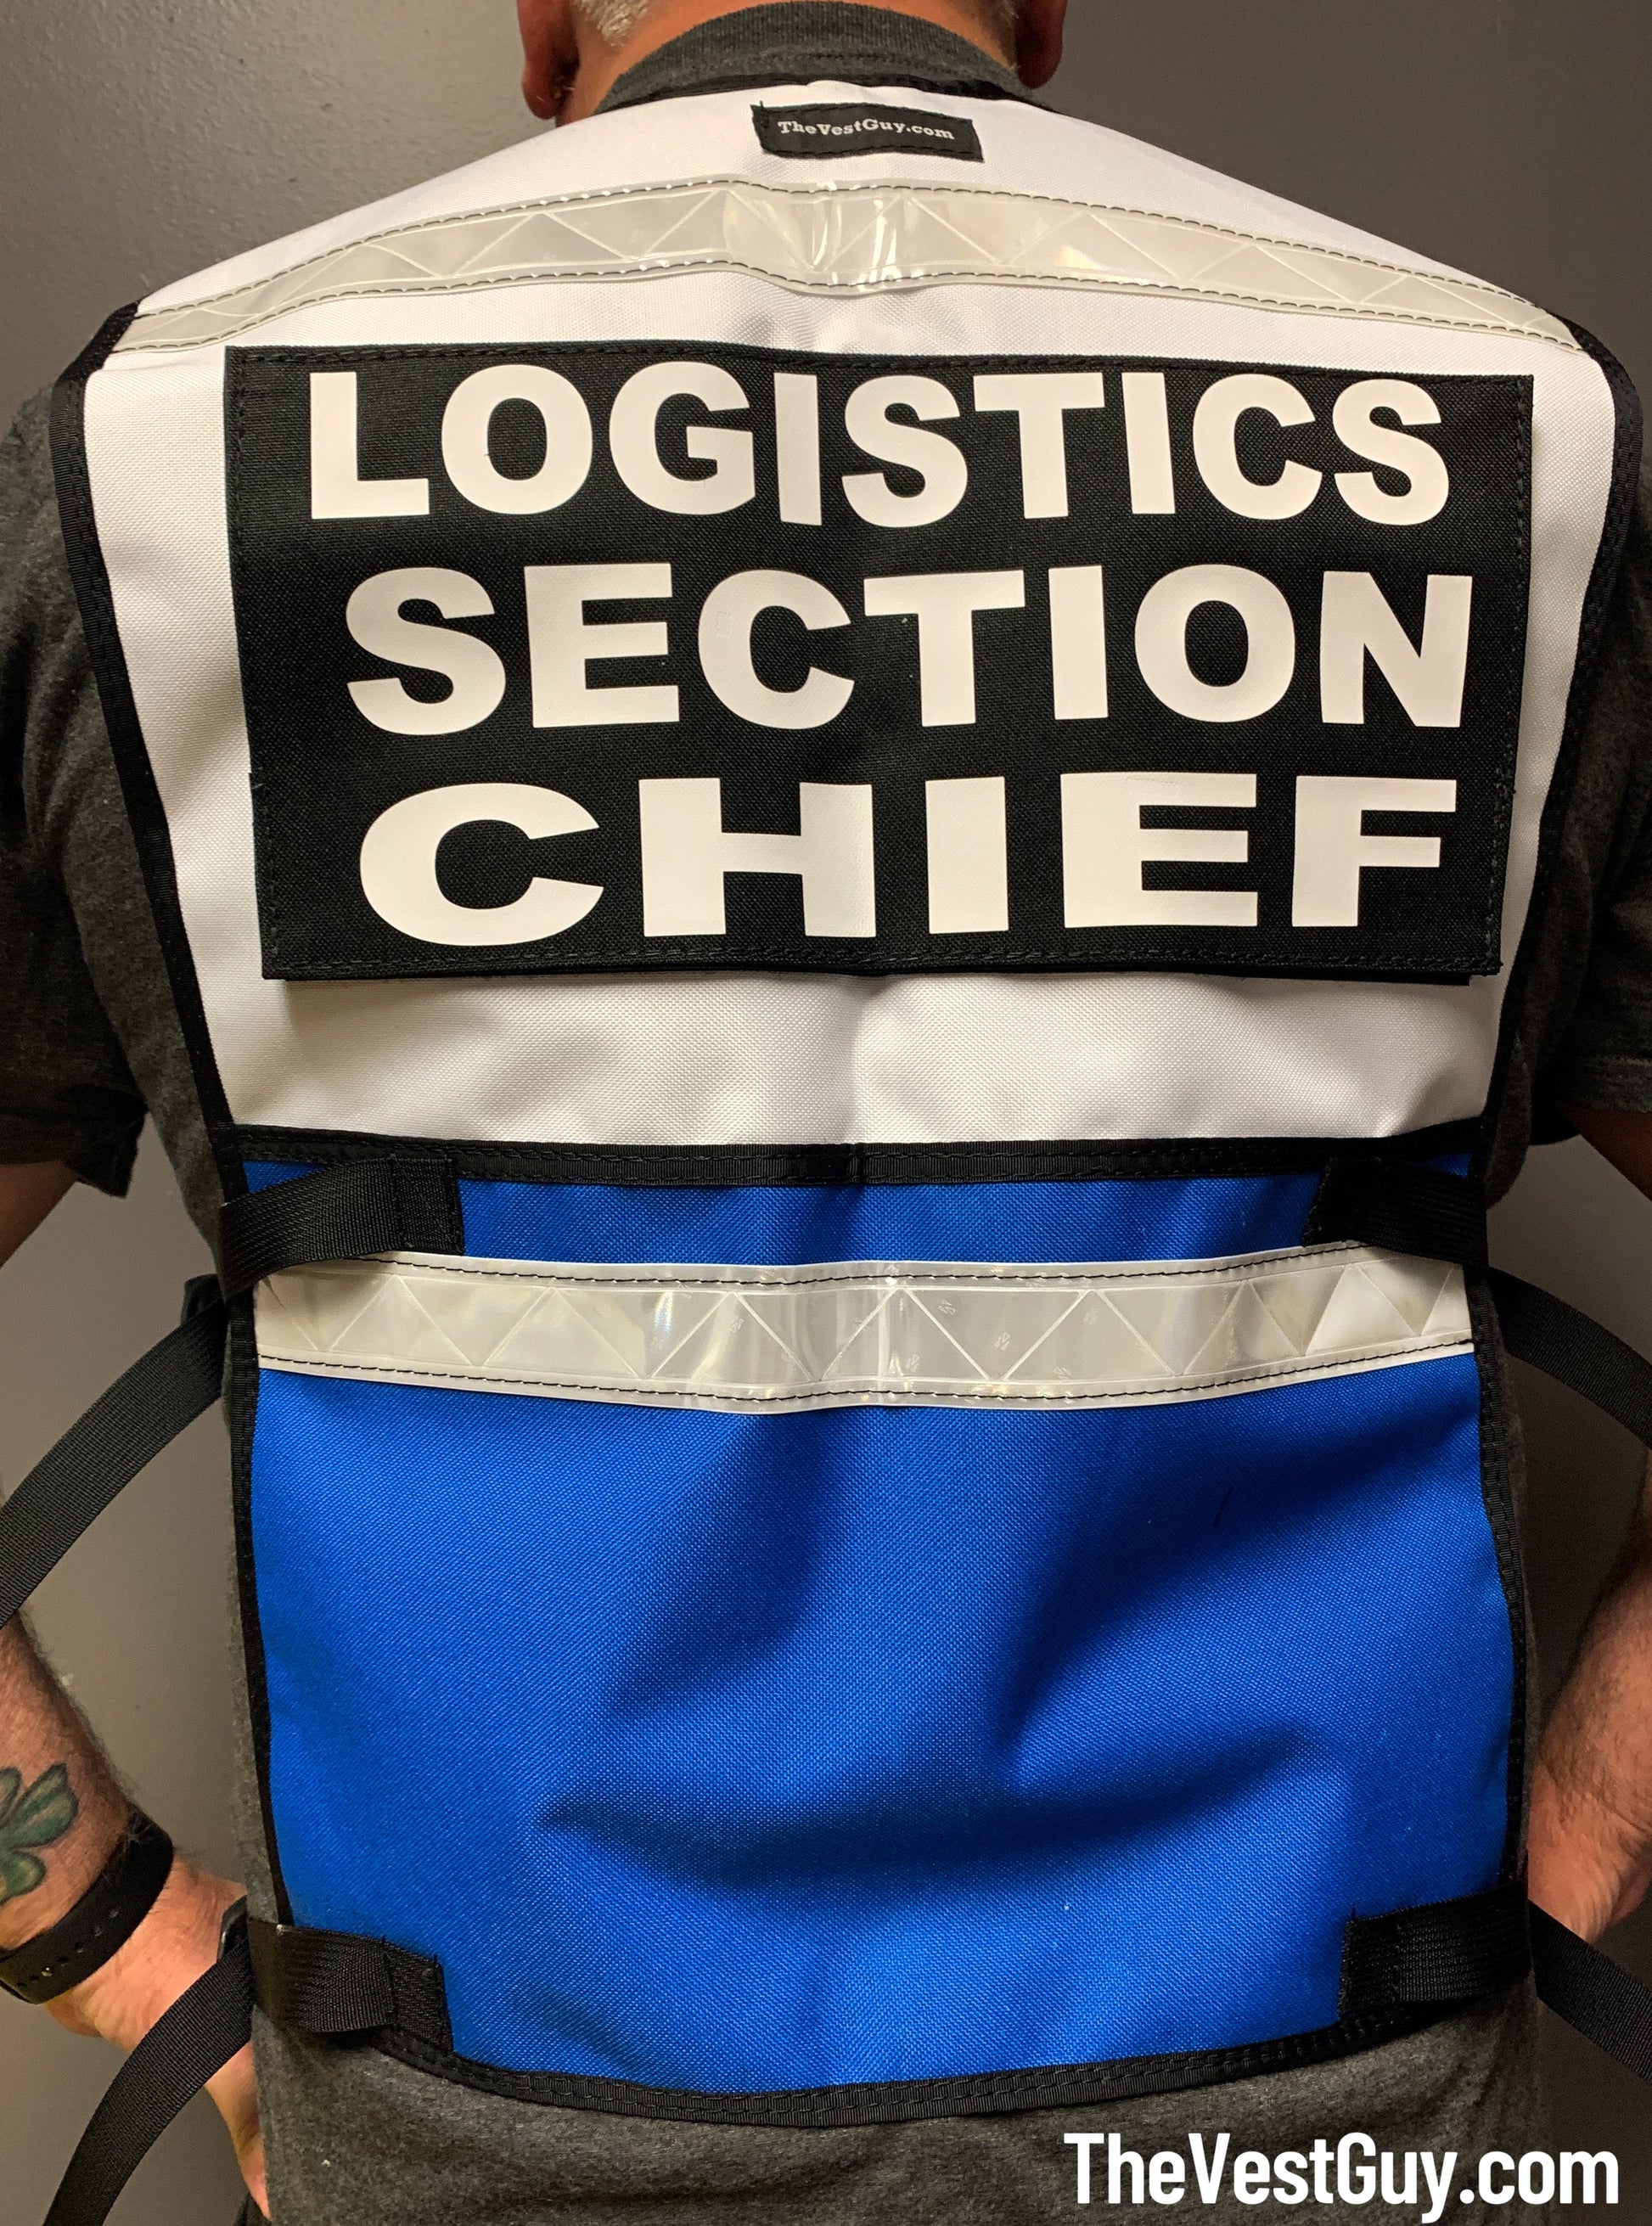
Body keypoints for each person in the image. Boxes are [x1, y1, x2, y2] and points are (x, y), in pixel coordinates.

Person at [1, 2, 1649, 2219]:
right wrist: (1565, 1855)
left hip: (487, 2142)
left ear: (546, 19)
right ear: (1037, 6)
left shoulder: (150, 447)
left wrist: (126, 1952)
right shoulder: (1508, 422)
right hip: (1321, 2130)